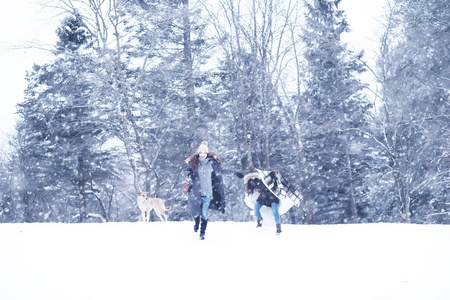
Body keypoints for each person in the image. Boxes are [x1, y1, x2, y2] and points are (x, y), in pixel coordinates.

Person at [185, 141, 225, 240]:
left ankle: (202, 233)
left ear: (207, 154)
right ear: (198, 153)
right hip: (196, 192)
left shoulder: (211, 164)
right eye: (201, 153)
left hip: (207, 193)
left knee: (204, 213)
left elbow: (221, 171)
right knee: (195, 212)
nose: (202, 155)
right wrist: (190, 174)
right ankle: (196, 222)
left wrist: (235, 173)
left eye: (204, 153)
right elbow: (187, 172)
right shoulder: (194, 164)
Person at [237, 167, 283, 235]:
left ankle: (278, 228)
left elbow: (277, 179)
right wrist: (246, 178)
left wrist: (274, 174)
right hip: (263, 197)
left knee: (275, 211)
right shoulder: (254, 181)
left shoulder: (269, 179)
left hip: (273, 196)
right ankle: (259, 222)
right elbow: (250, 186)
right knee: (256, 208)